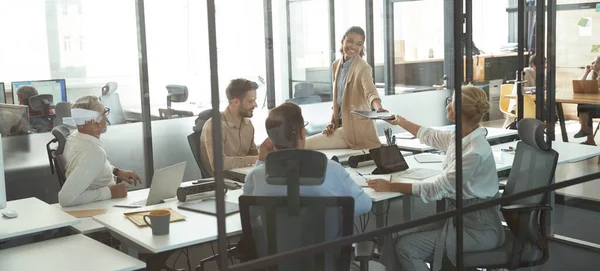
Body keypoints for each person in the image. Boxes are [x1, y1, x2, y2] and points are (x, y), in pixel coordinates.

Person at [368, 86, 505, 271]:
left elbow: (436, 189)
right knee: (392, 235)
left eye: (451, 101)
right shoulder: (460, 137)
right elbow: (430, 136)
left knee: (407, 248)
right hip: (457, 218)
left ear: (458, 111)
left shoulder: (475, 152)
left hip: (479, 229)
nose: (447, 105)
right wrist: (400, 121)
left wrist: (391, 186)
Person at [244, 102, 372, 216]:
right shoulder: (330, 169)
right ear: (302, 133)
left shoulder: (256, 176)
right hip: (326, 243)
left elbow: (250, 214)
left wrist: (261, 162)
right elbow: (364, 205)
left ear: (270, 139)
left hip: (275, 243)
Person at [305, 26, 387, 150]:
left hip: (357, 131)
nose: (354, 47)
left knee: (305, 145)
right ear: (342, 40)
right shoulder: (336, 65)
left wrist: (379, 108)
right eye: (350, 41)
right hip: (341, 127)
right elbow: (338, 101)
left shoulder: (363, 68)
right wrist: (332, 122)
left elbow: (370, 92)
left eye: (359, 44)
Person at [58, 96, 141, 207]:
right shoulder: (94, 153)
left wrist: (116, 171)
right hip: (105, 210)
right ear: (97, 121)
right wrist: (110, 192)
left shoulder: (75, 137)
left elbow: (86, 165)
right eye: (104, 113)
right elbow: (65, 198)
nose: (106, 119)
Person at [200, 78, 259, 176]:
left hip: (245, 178)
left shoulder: (248, 125)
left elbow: (254, 155)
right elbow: (218, 163)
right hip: (224, 185)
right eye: (251, 101)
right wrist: (253, 160)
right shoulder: (214, 126)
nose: (255, 105)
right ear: (236, 102)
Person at [574, 56, 600, 145]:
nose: (593, 64)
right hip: (596, 104)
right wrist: (586, 72)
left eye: (595, 62)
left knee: (585, 108)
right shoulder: (594, 75)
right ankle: (585, 132)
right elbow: (580, 84)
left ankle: (585, 131)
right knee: (582, 105)